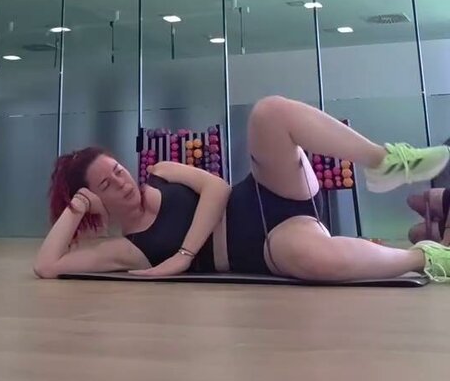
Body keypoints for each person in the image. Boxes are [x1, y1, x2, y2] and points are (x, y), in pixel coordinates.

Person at [33, 96, 450, 283]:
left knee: (269, 112)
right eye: (106, 184)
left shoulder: (161, 171)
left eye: (118, 169)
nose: (122, 180)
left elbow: (216, 189)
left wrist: (183, 256)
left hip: (266, 192)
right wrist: (74, 209)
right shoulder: (127, 249)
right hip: (269, 247)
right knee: (313, 260)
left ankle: (384, 161)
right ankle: (428, 256)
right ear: (96, 199)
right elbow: (47, 266)